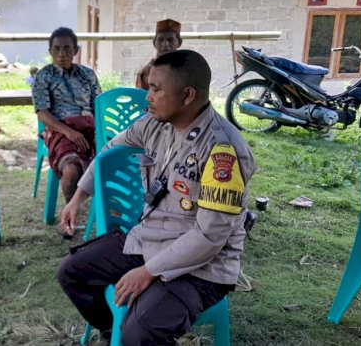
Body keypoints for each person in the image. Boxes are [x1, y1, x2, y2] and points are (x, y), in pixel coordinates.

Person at [58, 50, 255, 345]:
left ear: (187, 95)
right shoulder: (155, 124)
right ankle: (114, 333)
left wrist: (148, 272)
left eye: (155, 89)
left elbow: (210, 238)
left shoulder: (222, 151)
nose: (147, 96)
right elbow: (109, 151)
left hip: (203, 266)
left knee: (141, 329)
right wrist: (78, 197)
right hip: (150, 238)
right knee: (71, 273)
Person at [32, 27, 102, 207]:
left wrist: (99, 132)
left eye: (67, 48)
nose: (62, 53)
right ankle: (70, 217)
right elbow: (42, 113)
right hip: (59, 129)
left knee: (110, 162)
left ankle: (108, 216)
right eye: (56, 49)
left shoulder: (88, 75)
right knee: (71, 169)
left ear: (75, 50)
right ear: (50, 51)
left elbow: (98, 107)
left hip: (90, 127)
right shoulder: (44, 76)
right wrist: (70, 133)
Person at [135, 19, 183, 90]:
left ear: (179, 42)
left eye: (170, 40)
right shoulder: (146, 72)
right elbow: (141, 98)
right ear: (154, 43)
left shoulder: (186, 69)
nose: (165, 44)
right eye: (160, 40)